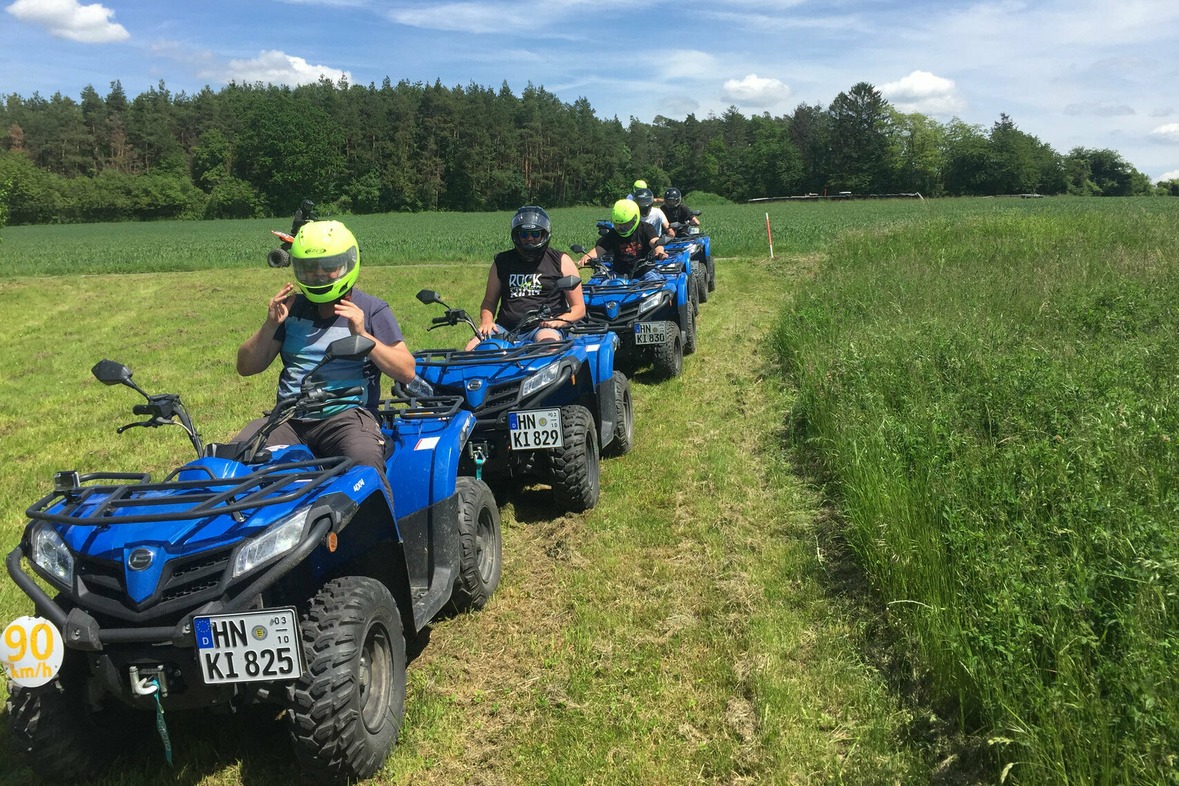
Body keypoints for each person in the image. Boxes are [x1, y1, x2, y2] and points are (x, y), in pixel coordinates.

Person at [235, 219, 430, 475]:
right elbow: (246, 367)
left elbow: (406, 370)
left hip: (348, 417)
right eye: (309, 268)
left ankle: (374, 514)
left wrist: (363, 337)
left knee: (364, 464)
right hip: (290, 418)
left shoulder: (371, 309)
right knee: (237, 454)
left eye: (328, 267)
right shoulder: (291, 309)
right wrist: (270, 325)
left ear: (347, 264)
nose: (318, 275)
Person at [468, 205, 585, 350]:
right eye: (524, 234)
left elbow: (579, 308)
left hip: (543, 327)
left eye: (535, 234)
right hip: (505, 329)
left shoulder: (560, 260)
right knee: (472, 349)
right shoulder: (501, 261)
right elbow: (489, 301)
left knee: (549, 346)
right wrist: (486, 321)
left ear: (544, 234)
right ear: (516, 235)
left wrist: (560, 320)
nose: (530, 239)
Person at [577, 198, 668, 277]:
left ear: (635, 219)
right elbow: (599, 250)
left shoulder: (646, 228)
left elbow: (655, 242)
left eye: (626, 224)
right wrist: (587, 256)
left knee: (660, 287)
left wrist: (659, 252)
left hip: (644, 272)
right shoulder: (613, 234)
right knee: (601, 292)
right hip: (619, 273)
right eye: (618, 225)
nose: (621, 228)